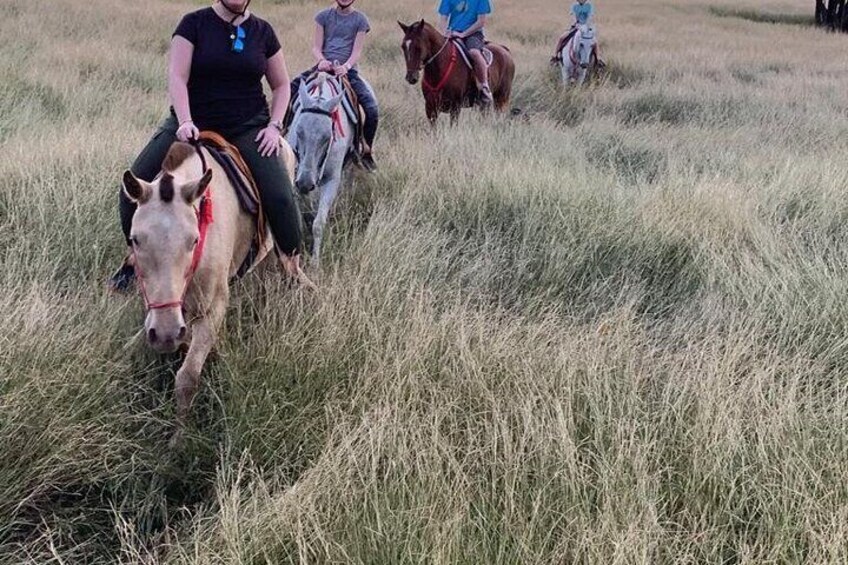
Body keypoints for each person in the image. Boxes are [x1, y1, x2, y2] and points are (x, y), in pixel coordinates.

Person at [109, 0, 306, 291]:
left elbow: (281, 85)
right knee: (132, 191)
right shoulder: (193, 24)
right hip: (192, 124)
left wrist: (274, 126)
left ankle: (292, 268)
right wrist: (186, 121)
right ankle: (136, 259)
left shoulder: (263, 31)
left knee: (281, 197)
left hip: (246, 126)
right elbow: (177, 76)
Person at [289, 0, 379, 172]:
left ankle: (364, 150)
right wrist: (322, 60)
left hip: (347, 71)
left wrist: (345, 66)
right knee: (291, 89)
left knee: (371, 108)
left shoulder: (360, 20)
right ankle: (283, 134)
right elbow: (316, 47)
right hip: (323, 67)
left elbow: (356, 52)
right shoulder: (323, 16)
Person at [437, 0, 493, 107]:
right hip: (452, 33)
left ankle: (484, 86)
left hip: (473, 34)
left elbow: (481, 21)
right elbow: (443, 18)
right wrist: (445, 32)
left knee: (474, 52)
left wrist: (463, 34)